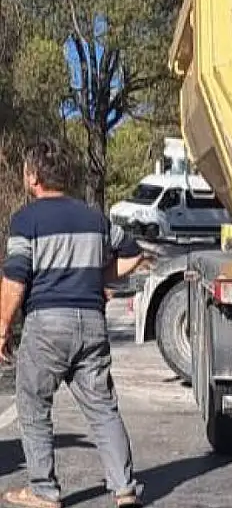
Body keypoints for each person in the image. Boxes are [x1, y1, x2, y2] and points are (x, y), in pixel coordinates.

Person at [0, 138, 145, 508]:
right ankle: (124, 488)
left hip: (47, 324)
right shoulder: (94, 217)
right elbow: (133, 253)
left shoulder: (25, 220)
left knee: (33, 406)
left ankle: (44, 491)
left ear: (33, 176)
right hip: (92, 323)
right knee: (102, 408)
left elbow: (15, 277)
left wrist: (2, 327)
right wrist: (100, 280)